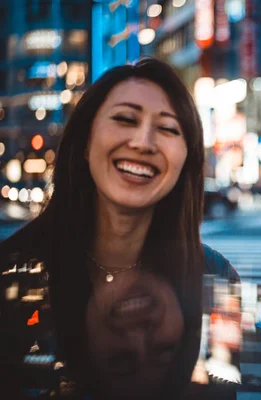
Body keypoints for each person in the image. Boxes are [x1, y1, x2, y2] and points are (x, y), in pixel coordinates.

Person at [0, 58, 239, 399]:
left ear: (187, 158)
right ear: (85, 143)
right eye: (125, 119)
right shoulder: (11, 273)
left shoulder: (216, 279)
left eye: (168, 129)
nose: (143, 142)